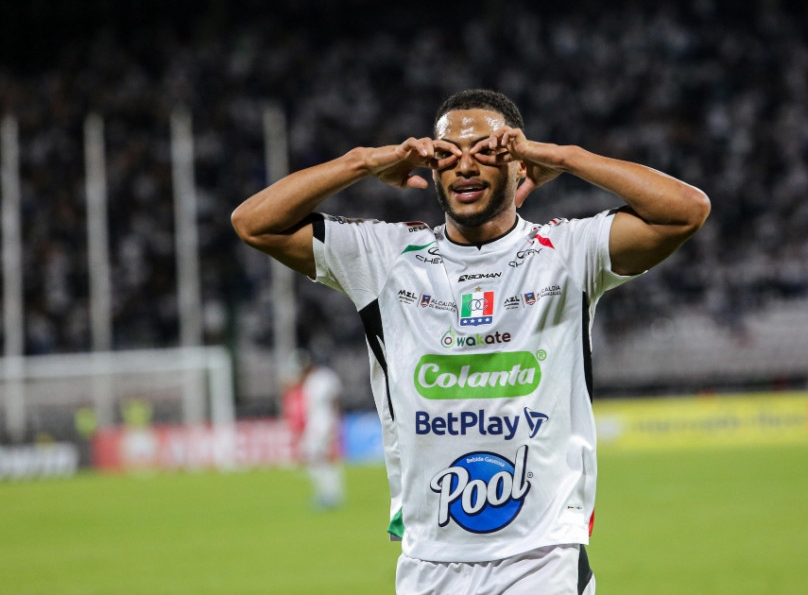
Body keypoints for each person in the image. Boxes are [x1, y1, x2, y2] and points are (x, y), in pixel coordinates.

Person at [232, 88, 710, 594]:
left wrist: (566, 158)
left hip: (541, 559)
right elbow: (253, 222)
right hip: (428, 562)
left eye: (487, 151)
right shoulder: (385, 257)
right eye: (447, 155)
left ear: (518, 163)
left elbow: (686, 210)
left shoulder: (566, 251)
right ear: (431, 170)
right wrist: (363, 162)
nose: (465, 166)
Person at [280, 349, 345, 510]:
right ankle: (329, 493)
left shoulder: (323, 378)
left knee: (318, 458)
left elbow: (334, 401)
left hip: (322, 423)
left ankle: (329, 495)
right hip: (316, 422)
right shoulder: (312, 380)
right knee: (317, 459)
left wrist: (333, 423)